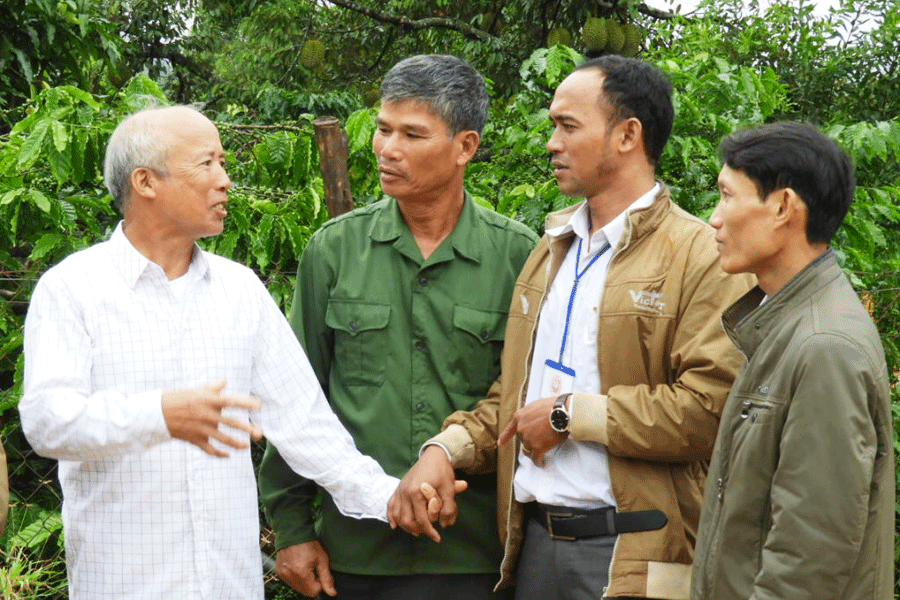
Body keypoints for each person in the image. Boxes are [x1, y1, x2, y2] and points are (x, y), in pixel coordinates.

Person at [389, 55, 754, 599]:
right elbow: (515, 397)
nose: (551, 143)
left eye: (567, 125)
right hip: (534, 545)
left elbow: (711, 410)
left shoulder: (699, 255)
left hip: (632, 552)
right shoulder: (551, 252)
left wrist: (570, 416)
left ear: (628, 135)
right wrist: (444, 449)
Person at [18, 105, 404, 600]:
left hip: (229, 584)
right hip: (123, 585)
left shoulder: (241, 290)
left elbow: (307, 426)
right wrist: (160, 415)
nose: (224, 180)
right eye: (207, 164)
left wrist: (392, 498)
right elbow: (48, 421)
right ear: (146, 182)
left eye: (223, 163)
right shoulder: (73, 289)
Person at [256, 54, 539, 600]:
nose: (387, 148)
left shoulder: (519, 257)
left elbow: (517, 398)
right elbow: (294, 400)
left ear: (465, 147)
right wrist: (291, 531)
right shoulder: (334, 250)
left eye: (413, 134)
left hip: (471, 555)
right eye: (384, 129)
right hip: (354, 552)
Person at [690, 121, 894, 600]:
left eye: (726, 196)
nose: (714, 219)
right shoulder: (783, 322)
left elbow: (808, 562)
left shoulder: (824, 345)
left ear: (783, 207)